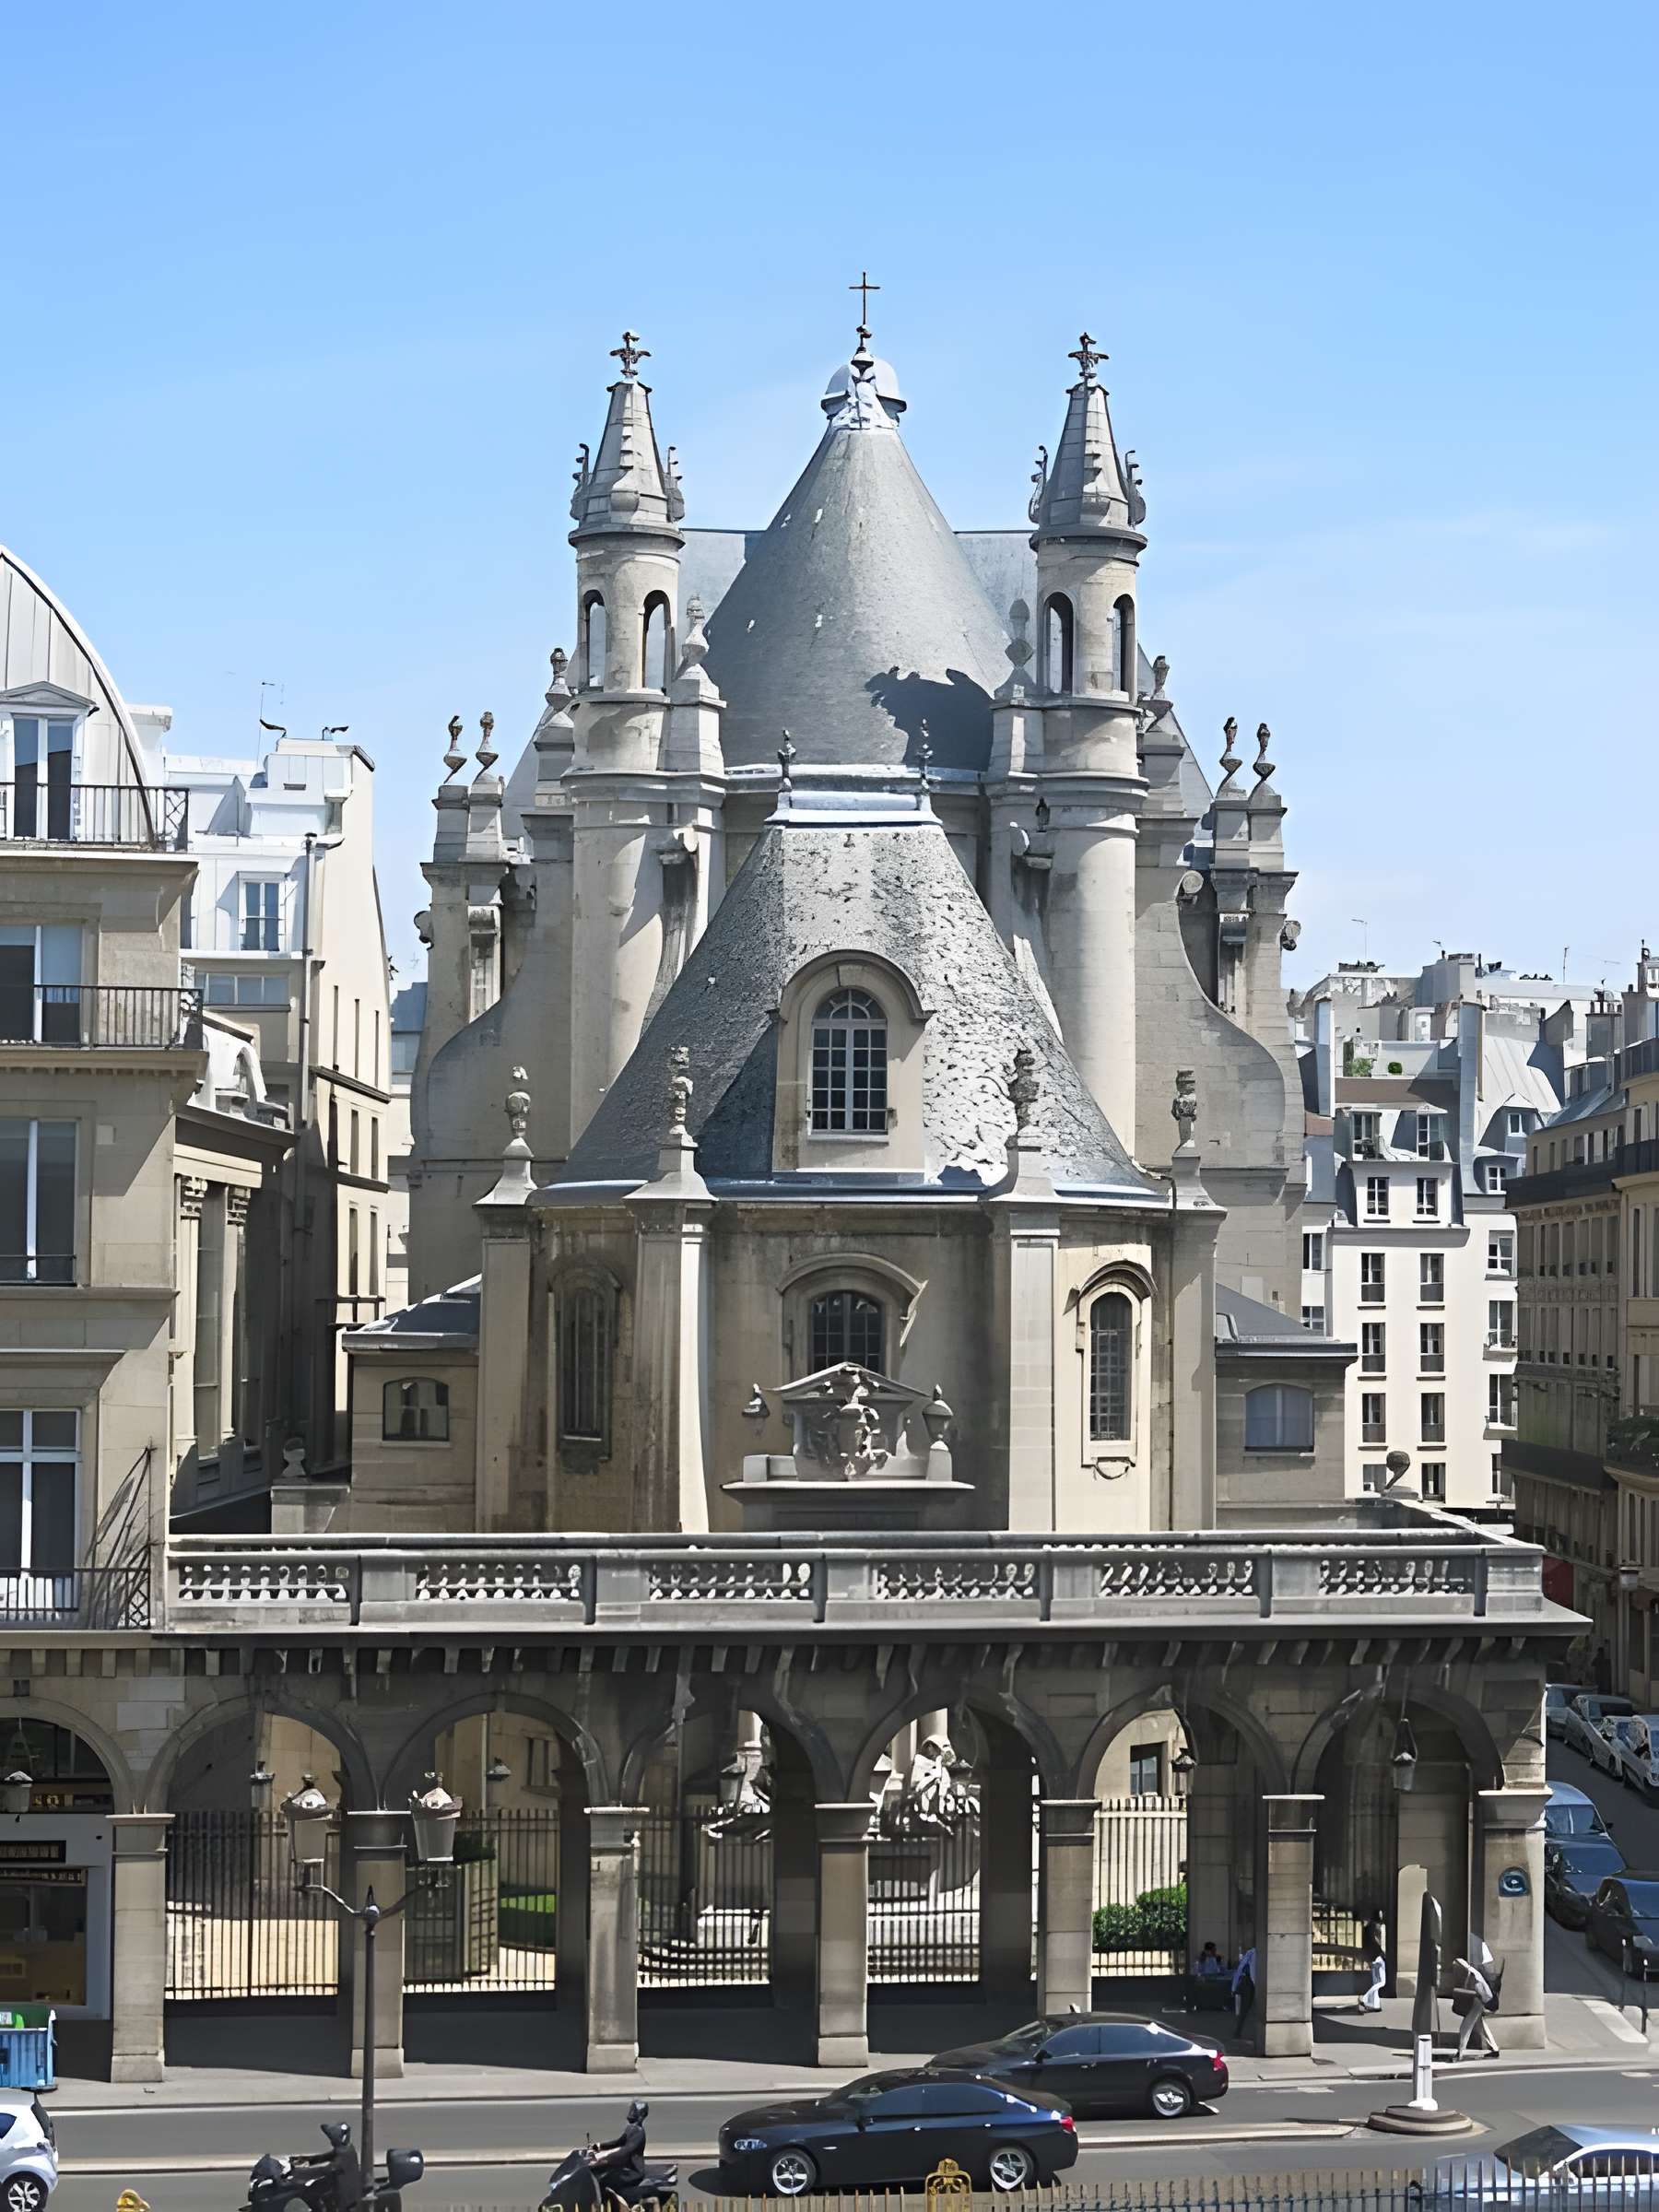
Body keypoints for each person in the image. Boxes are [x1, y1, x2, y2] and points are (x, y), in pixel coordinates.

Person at [592, 2101, 650, 2195]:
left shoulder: (639, 2133)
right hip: (626, 2167)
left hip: (634, 2171)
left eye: (633, 2111)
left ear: (640, 2115)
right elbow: (619, 2142)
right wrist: (599, 2146)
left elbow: (625, 2151)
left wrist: (605, 2158)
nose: (631, 2113)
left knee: (606, 2181)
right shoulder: (631, 2128)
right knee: (605, 2174)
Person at [1452, 1954, 1498, 2058]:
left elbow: (1481, 1994)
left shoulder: (1473, 1975)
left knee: (1465, 2027)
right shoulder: (1470, 1974)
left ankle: (1460, 2052)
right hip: (1477, 2002)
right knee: (1481, 2027)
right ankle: (1494, 2049)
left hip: (1477, 2003)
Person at [1359, 1913, 1387, 2013]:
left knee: (1376, 1982)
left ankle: (1375, 2005)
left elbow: (1365, 1945)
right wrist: (1382, 1953)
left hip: (1371, 1957)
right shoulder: (1377, 1927)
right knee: (1381, 1982)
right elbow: (1378, 1942)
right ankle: (1365, 1998)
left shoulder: (1366, 1928)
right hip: (1378, 1957)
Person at [1231, 1942, 1257, 2032]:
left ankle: (1238, 2031)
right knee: (1245, 2008)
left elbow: (1239, 1969)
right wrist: (1234, 1987)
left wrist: (1234, 1987)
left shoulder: (1251, 1953)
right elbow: (1241, 1969)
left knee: (1245, 2009)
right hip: (1249, 1983)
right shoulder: (1253, 1953)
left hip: (1249, 1982)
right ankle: (1238, 2031)